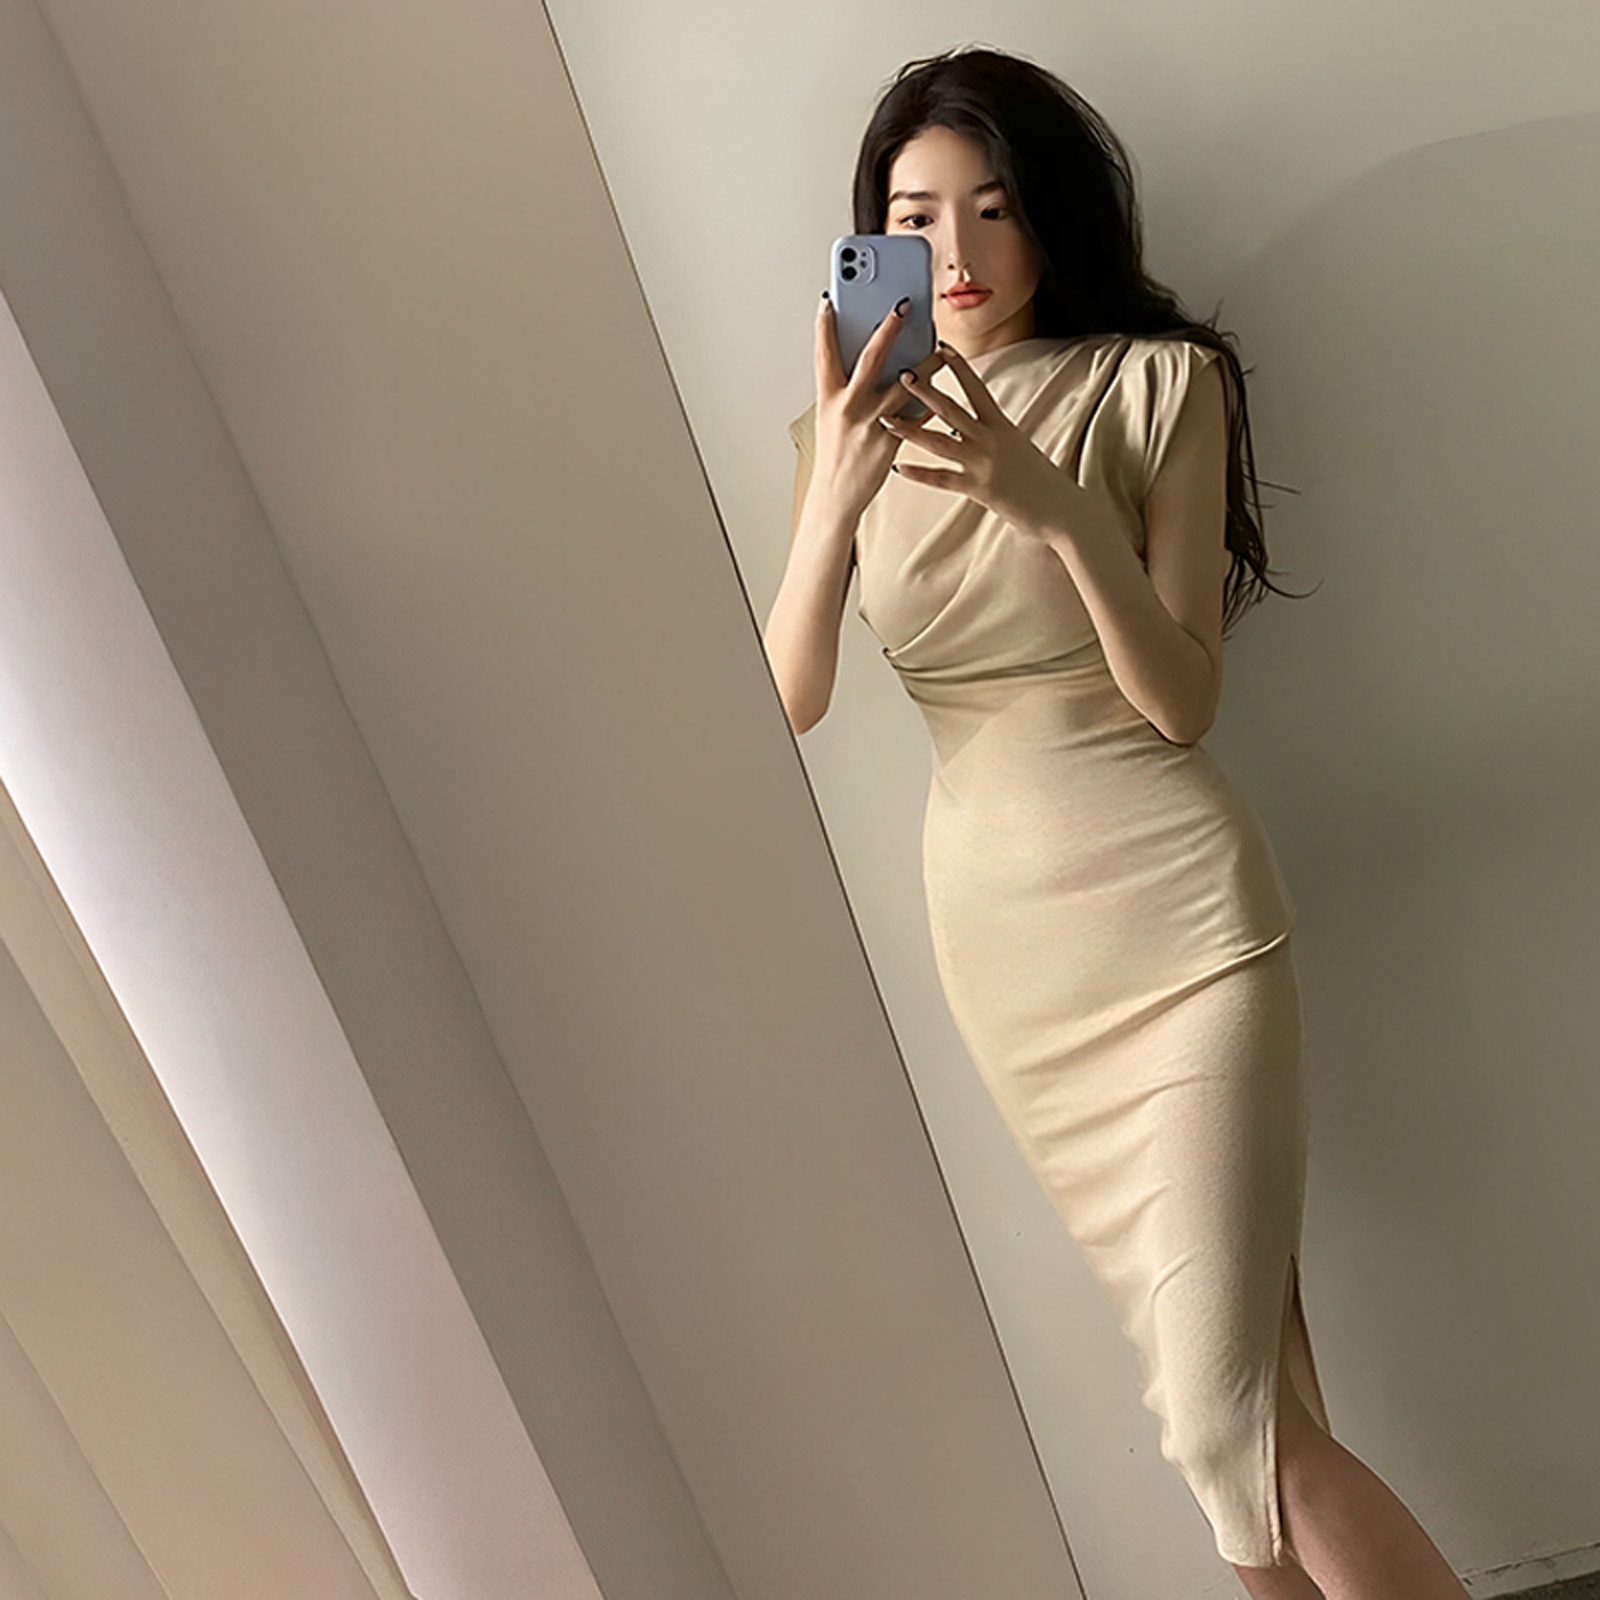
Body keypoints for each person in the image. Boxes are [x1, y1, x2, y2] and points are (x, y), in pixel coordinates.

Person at [763, 45, 1470, 1600]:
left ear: (1052, 217)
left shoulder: (1159, 383)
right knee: (1246, 1420)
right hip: (1011, 960)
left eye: (995, 207)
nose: (956, 250)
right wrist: (835, 496)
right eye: (914, 216)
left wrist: (1058, 509)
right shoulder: (841, 432)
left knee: (1224, 1426)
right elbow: (785, 699)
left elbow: (1182, 700)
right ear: (873, 235)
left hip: (1181, 928)